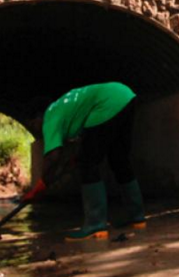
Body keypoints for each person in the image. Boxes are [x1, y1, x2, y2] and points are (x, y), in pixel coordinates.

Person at [21, 82, 145, 240]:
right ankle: (137, 217)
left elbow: (53, 157)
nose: (35, 129)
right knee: (119, 160)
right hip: (125, 95)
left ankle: (95, 225)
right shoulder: (64, 109)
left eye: (32, 124)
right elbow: (87, 140)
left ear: (39, 116)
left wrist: (39, 187)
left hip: (106, 105)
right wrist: (75, 159)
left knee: (88, 165)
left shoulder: (50, 116)